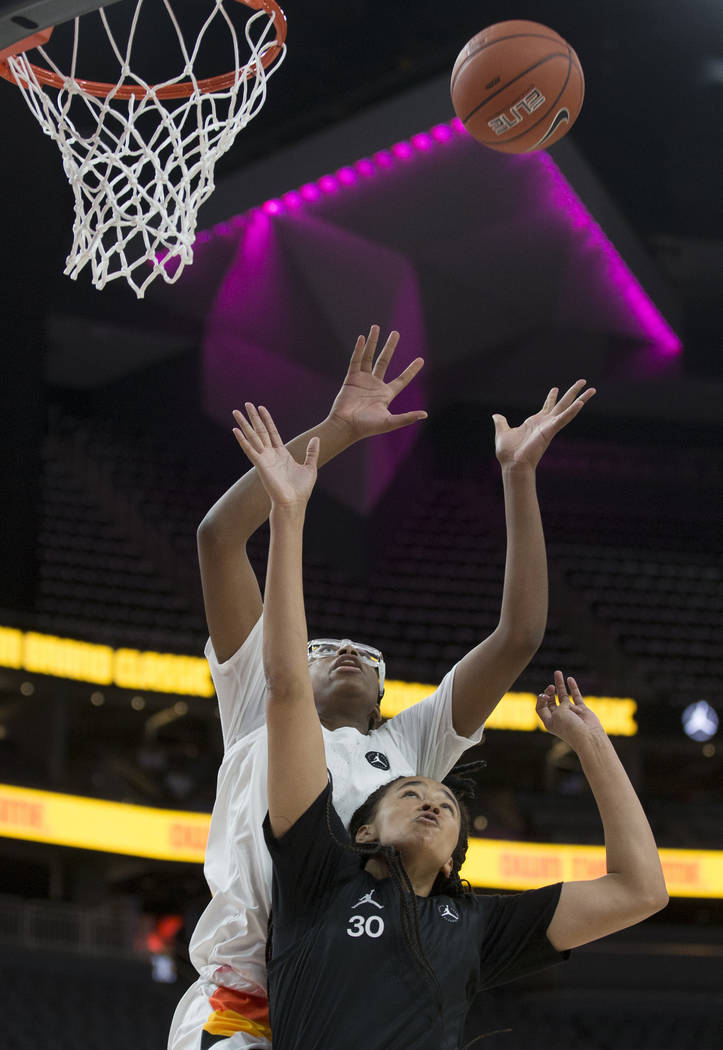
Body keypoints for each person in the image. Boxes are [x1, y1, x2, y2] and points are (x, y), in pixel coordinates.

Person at [168, 326, 595, 1050]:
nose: (342, 653)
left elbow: (518, 636)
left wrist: (518, 479)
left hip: (356, 987)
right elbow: (217, 537)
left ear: (384, 689)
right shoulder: (257, 701)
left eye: (362, 652)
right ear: (289, 664)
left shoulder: (410, 747)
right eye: (321, 647)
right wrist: (332, 435)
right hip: (248, 991)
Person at [235, 402, 668, 1050]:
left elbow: (638, 891)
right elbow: (287, 689)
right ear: (360, 830)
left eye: (439, 797)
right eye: (411, 793)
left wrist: (594, 746)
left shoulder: (473, 923)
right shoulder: (316, 877)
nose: (431, 798)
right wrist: (289, 519)